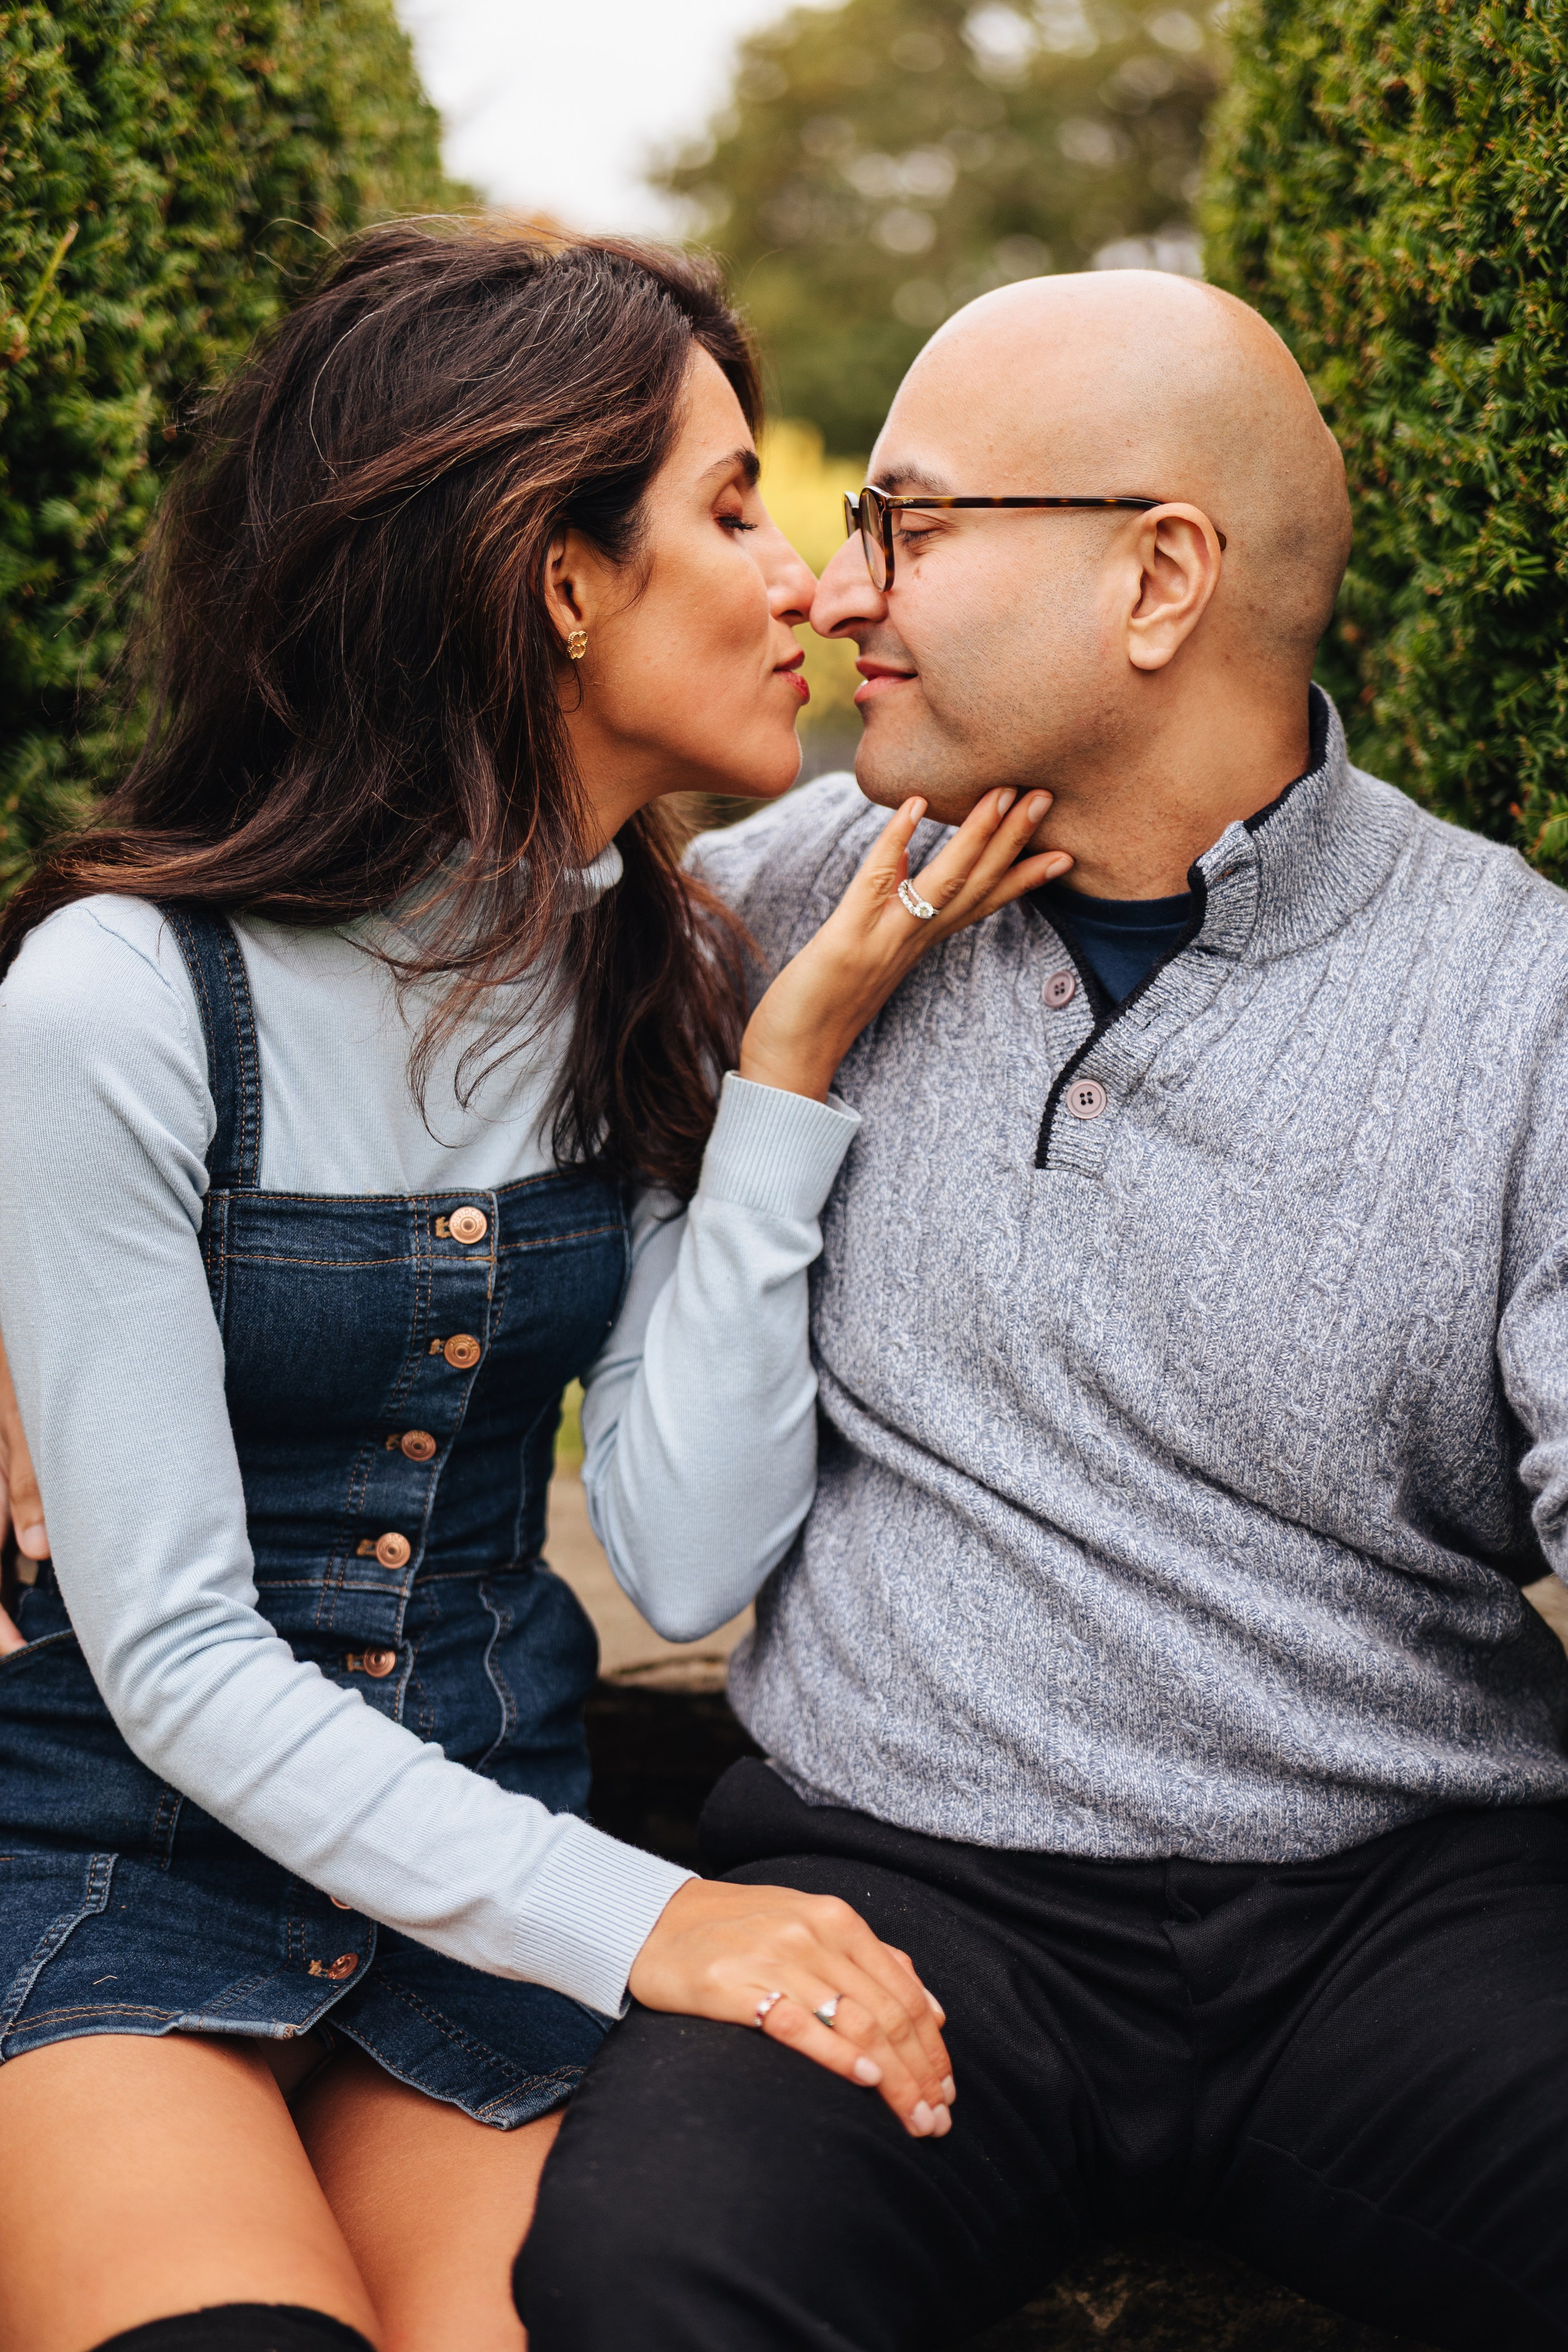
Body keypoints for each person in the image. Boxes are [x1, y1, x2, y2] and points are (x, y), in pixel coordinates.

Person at [0, 222, 1074, 2352]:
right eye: (732, 504)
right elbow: (182, 1657)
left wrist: (775, 1081)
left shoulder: (660, 977)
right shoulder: (118, 1005)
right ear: (556, 578)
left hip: (482, 1877)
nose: (805, 584)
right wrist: (674, 1927)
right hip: (114, 1867)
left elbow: (684, 1554)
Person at [516, 271, 1568, 2352]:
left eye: (912, 522)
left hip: (1402, 1906)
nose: (839, 588)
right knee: (645, 2282)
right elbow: (344, 969)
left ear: (1159, 578)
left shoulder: (1519, 999)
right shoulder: (769, 907)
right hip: (903, 1889)